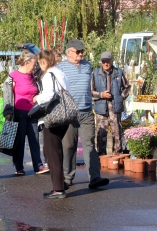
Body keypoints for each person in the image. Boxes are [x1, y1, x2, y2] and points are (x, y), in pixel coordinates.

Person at [57, 39, 109, 189]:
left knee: (89, 144)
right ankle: (67, 178)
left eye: (82, 51)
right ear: (69, 52)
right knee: (68, 146)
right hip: (69, 113)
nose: (81, 54)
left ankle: (94, 177)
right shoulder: (61, 68)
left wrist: (98, 94)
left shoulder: (87, 66)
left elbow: (88, 88)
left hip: (86, 111)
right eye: (77, 51)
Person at [30, 50, 71, 198]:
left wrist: (37, 99)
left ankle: (58, 189)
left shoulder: (48, 75)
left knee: (51, 152)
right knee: (55, 150)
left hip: (53, 117)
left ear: (43, 61)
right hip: (64, 115)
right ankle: (60, 182)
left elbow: (48, 95)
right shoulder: (60, 72)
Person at [3, 51, 49, 176]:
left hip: (33, 113)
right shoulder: (13, 76)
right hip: (18, 113)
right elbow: (7, 94)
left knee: (34, 140)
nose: (35, 67)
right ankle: (19, 167)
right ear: (26, 63)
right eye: (33, 64)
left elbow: (37, 91)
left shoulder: (33, 76)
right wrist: (7, 111)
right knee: (20, 140)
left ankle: (38, 166)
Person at [91, 51, 131, 156]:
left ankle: (117, 154)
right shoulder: (95, 73)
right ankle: (101, 155)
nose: (105, 64)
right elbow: (90, 91)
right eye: (103, 61)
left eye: (107, 61)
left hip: (115, 106)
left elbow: (127, 87)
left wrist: (121, 97)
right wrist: (101, 95)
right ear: (101, 62)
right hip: (101, 106)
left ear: (112, 61)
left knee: (117, 131)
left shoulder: (119, 72)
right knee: (101, 132)